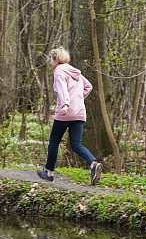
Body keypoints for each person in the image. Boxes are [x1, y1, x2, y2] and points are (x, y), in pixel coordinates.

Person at [37, 46, 102, 185]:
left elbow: (62, 89)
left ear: (56, 60)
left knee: (54, 141)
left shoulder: (59, 71)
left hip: (65, 112)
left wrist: (66, 104)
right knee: (75, 144)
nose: (50, 62)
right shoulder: (75, 72)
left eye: (51, 60)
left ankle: (48, 173)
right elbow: (88, 86)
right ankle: (93, 163)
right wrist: (77, 100)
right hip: (79, 112)